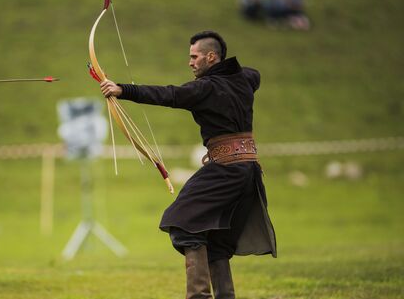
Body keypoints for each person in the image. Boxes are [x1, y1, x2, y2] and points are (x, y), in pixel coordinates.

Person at [100, 31, 277, 299]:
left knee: (182, 223)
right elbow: (254, 74)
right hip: (248, 171)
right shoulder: (245, 80)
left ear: (211, 56)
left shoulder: (204, 89)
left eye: (194, 57)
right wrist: (231, 72)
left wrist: (122, 90)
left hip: (226, 169)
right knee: (215, 242)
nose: (190, 62)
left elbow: (168, 95)